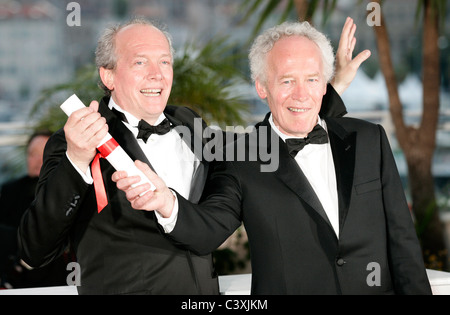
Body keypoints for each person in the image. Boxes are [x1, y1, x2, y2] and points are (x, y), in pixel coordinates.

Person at [18, 17, 362, 295]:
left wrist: (326, 93)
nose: (157, 73)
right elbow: (34, 249)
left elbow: (258, 146)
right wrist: (78, 159)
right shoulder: (74, 142)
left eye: (164, 61)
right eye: (140, 62)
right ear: (108, 75)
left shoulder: (188, 122)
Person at [113, 21, 432, 295]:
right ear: (262, 87)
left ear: (324, 84)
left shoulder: (369, 139)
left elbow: (403, 243)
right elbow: (208, 230)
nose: (301, 94)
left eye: (311, 79)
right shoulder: (241, 157)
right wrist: (166, 202)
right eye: (287, 81)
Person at [0, 130, 69, 289]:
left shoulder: (66, 191)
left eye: (44, 154)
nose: (38, 160)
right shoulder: (9, 191)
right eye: (32, 154)